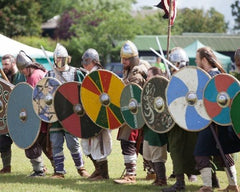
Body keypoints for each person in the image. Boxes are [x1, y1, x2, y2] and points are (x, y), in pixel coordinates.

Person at [194, 46, 240, 192]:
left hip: (213, 122)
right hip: (221, 123)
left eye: (197, 59)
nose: (196, 62)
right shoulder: (218, 74)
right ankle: (233, 185)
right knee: (224, 154)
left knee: (201, 152)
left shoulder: (211, 76)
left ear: (203, 60)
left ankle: (208, 186)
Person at [46, 43, 89, 179]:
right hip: (55, 115)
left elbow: (84, 92)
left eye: (61, 58)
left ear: (67, 59)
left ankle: (81, 168)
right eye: (57, 58)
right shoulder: (49, 74)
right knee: (56, 142)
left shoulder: (76, 73)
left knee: (73, 143)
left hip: (72, 114)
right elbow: (43, 95)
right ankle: (59, 171)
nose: (59, 61)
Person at [162, 47, 199, 192]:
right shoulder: (185, 75)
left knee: (182, 148)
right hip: (180, 119)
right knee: (183, 148)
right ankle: (183, 179)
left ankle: (180, 182)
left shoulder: (188, 76)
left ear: (176, 63)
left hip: (186, 119)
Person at [114, 40, 151, 184]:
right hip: (134, 112)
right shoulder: (131, 70)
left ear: (134, 58)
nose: (123, 61)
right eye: (122, 58)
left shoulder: (136, 73)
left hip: (135, 113)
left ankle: (131, 175)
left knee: (127, 140)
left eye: (126, 58)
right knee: (141, 145)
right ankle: (152, 172)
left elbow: (131, 95)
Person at [16, 50, 54, 177]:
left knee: (30, 142)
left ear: (27, 67)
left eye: (23, 70)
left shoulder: (34, 77)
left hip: (38, 118)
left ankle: (39, 170)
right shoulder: (40, 72)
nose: (22, 73)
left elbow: (32, 100)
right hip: (44, 116)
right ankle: (57, 168)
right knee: (45, 145)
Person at [80, 48, 111, 181]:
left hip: (100, 115)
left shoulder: (100, 74)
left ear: (93, 61)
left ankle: (103, 174)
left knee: (98, 144)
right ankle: (98, 170)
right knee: (87, 143)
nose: (84, 64)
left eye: (87, 61)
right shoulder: (89, 74)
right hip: (90, 115)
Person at [142, 66, 168, 186]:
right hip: (149, 127)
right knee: (147, 154)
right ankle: (158, 177)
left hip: (158, 128)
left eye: (148, 76)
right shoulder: (149, 89)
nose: (146, 78)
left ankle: (162, 179)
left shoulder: (163, 90)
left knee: (157, 155)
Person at [0, 54, 25, 174]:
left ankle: (41, 167)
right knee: (3, 140)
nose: (4, 67)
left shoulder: (21, 76)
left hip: (23, 114)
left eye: (6, 64)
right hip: (6, 116)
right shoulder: (2, 77)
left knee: (29, 141)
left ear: (13, 63)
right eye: (3, 64)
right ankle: (6, 167)